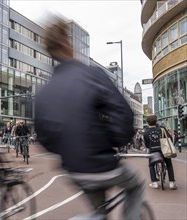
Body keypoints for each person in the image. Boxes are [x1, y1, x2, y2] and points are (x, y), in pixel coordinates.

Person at [34, 16, 144, 220]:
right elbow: (123, 113)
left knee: (100, 212)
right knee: (136, 186)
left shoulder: (44, 92)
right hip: (101, 163)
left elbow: (43, 137)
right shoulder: (92, 75)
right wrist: (115, 142)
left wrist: (68, 150)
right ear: (67, 43)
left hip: (73, 169)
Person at [143, 115, 177, 189]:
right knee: (169, 164)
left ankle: (154, 183)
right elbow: (169, 138)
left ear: (147, 122)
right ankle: (172, 183)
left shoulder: (145, 132)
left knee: (151, 165)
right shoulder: (162, 129)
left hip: (153, 152)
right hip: (163, 151)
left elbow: (146, 145)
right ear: (156, 121)